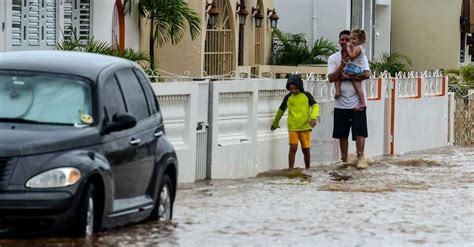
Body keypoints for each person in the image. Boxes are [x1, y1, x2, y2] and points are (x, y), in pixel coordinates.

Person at [327, 30, 370, 168]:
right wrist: (341, 66)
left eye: (348, 39)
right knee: (342, 134)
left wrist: (349, 77)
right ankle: (345, 160)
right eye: (343, 39)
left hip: (357, 103)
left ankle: (360, 158)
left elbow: (366, 74)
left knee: (360, 132)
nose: (345, 42)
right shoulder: (333, 58)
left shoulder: (360, 56)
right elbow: (331, 78)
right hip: (340, 104)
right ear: (339, 41)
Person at [271, 74, 320, 170]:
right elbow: (281, 111)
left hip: (305, 127)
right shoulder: (288, 98)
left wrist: (313, 118)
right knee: (293, 148)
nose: (293, 91)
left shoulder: (307, 95)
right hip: (293, 127)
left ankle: (308, 168)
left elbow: (315, 106)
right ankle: (290, 169)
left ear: (300, 86)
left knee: (306, 150)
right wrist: (275, 123)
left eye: (295, 88)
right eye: (291, 89)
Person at [334, 29, 367, 110]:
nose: (351, 41)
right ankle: (338, 90)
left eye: (353, 39)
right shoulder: (334, 57)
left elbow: (352, 57)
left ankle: (362, 102)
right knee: (337, 73)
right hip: (353, 68)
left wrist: (348, 48)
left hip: (354, 69)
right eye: (351, 39)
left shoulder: (358, 48)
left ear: (360, 40)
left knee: (356, 85)